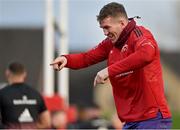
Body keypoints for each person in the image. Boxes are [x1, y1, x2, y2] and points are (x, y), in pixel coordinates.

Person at [50, 2, 172, 129]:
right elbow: (87, 58)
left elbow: (146, 54)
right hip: (130, 122)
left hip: (152, 119)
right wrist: (66, 59)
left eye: (107, 27)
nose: (104, 32)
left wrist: (108, 71)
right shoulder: (111, 44)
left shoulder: (140, 34)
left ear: (122, 23)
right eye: (102, 28)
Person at [0, 62, 51, 129]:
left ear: (7, 73)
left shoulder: (2, 93)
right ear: (24, 74)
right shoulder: (36, 94)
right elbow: (47, 122)